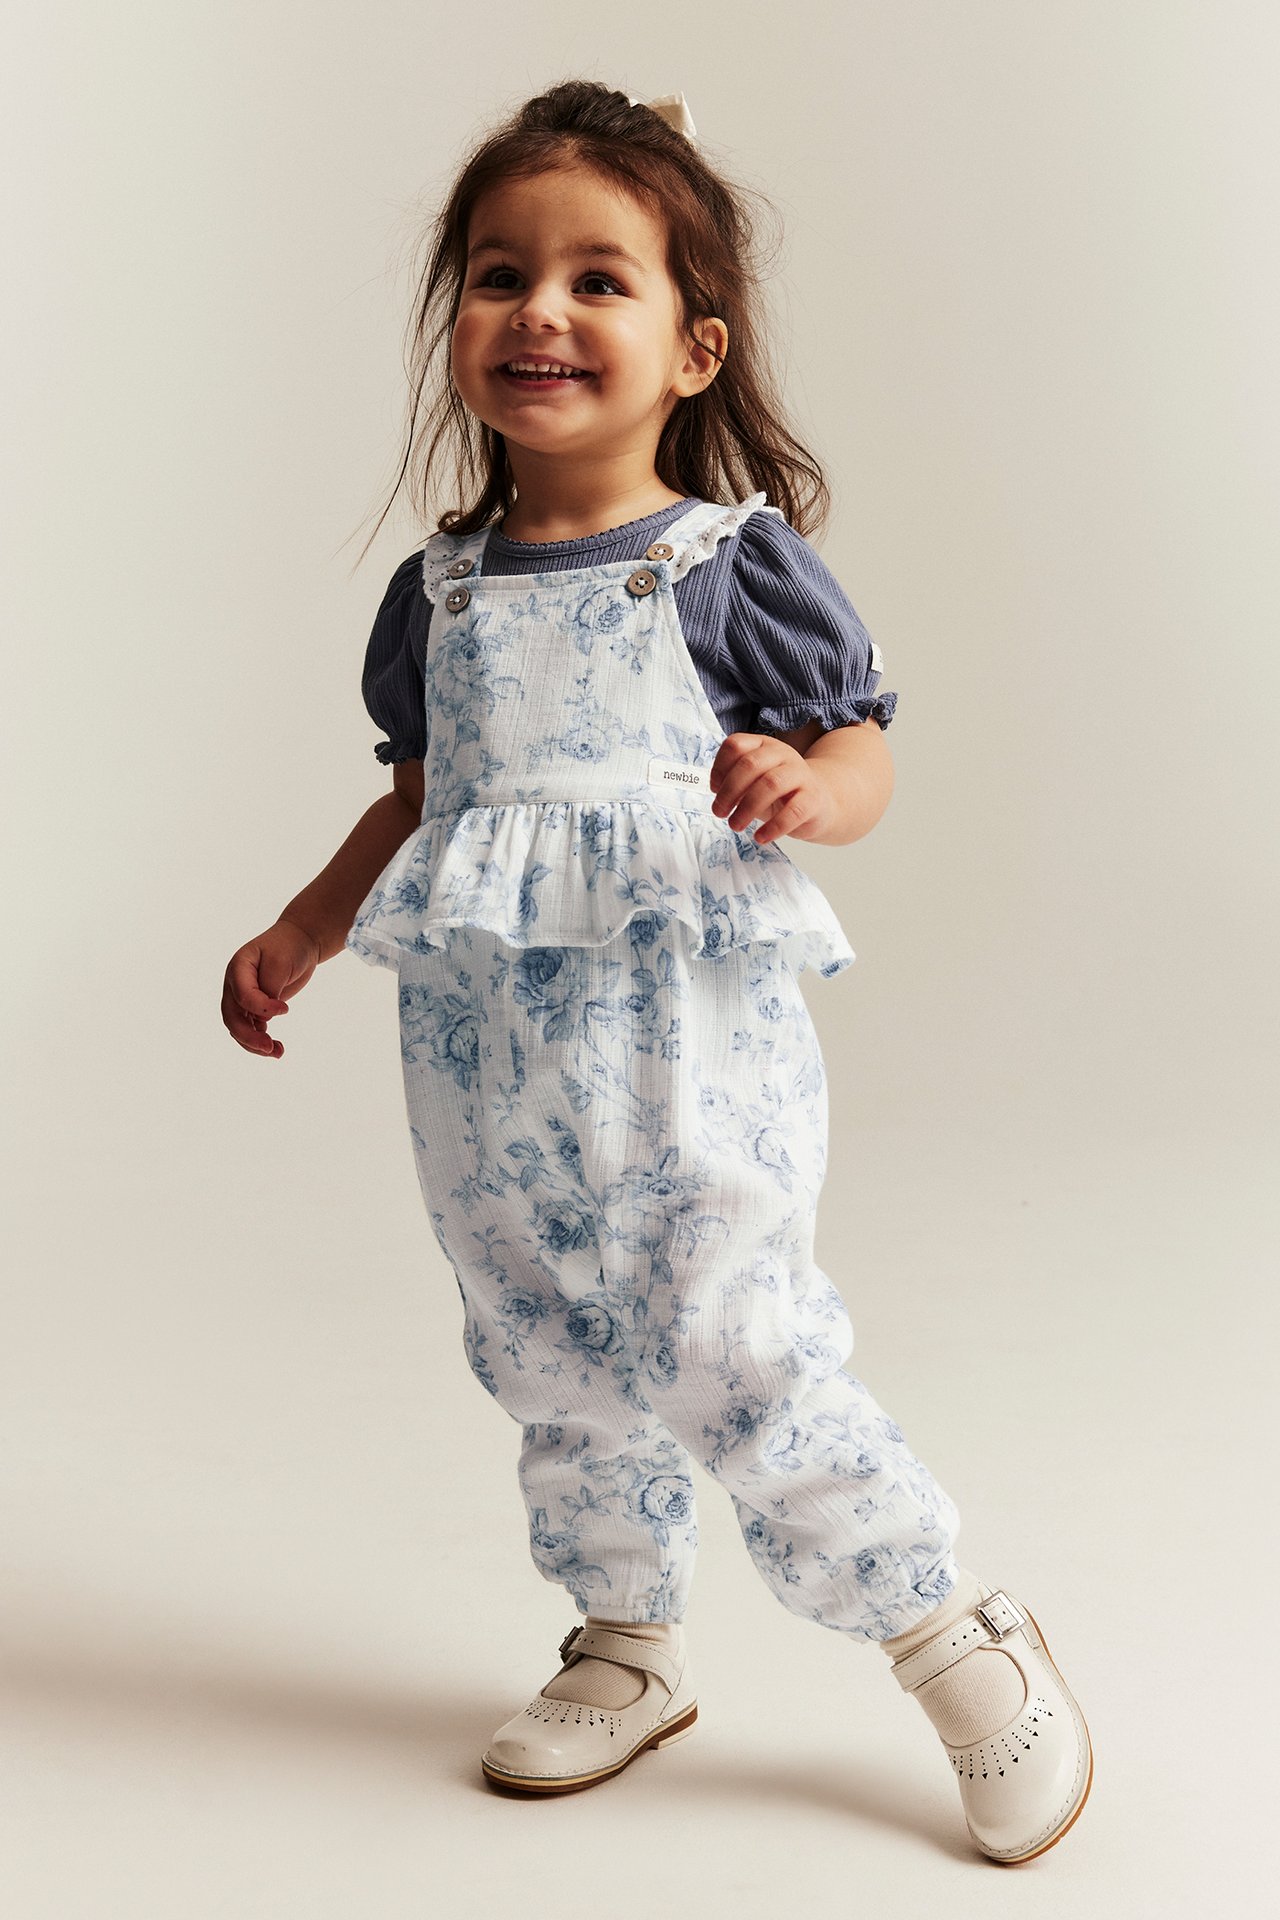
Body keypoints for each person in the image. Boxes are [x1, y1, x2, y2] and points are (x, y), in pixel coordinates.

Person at [222, 81, 1092, 1864]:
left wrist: (815, 790)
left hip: (684, 1049)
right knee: (539, 1336)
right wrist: (303, 928)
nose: (538, 311)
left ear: (695, 349)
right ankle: (625, 1637)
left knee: (731, 1336)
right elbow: (419, 797)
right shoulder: (442, 593)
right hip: (483, 1061)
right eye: (499, 275)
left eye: (596, 280)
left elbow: (858, 746)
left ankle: (949, 1630)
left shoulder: (722, 565)